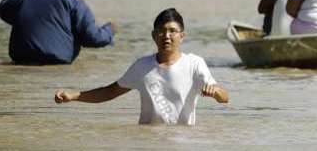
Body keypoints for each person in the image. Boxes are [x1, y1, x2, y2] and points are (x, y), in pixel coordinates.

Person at [54, 8, 228, 125]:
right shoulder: (142, 66)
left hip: (183, 142)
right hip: (148, 142)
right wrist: (73, 95)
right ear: (154, 35)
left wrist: (216, 92)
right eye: (161, 30)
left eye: (172, 31)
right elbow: (109, 92)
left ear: (182, 36)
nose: (166, 36)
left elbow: (224, 97)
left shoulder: (195, 64)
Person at [0, 0, 114, 65]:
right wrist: (109, 30)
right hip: (56, 64)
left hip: (22, 60)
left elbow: (4, 8)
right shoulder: (75, 3)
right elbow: (93, 38)